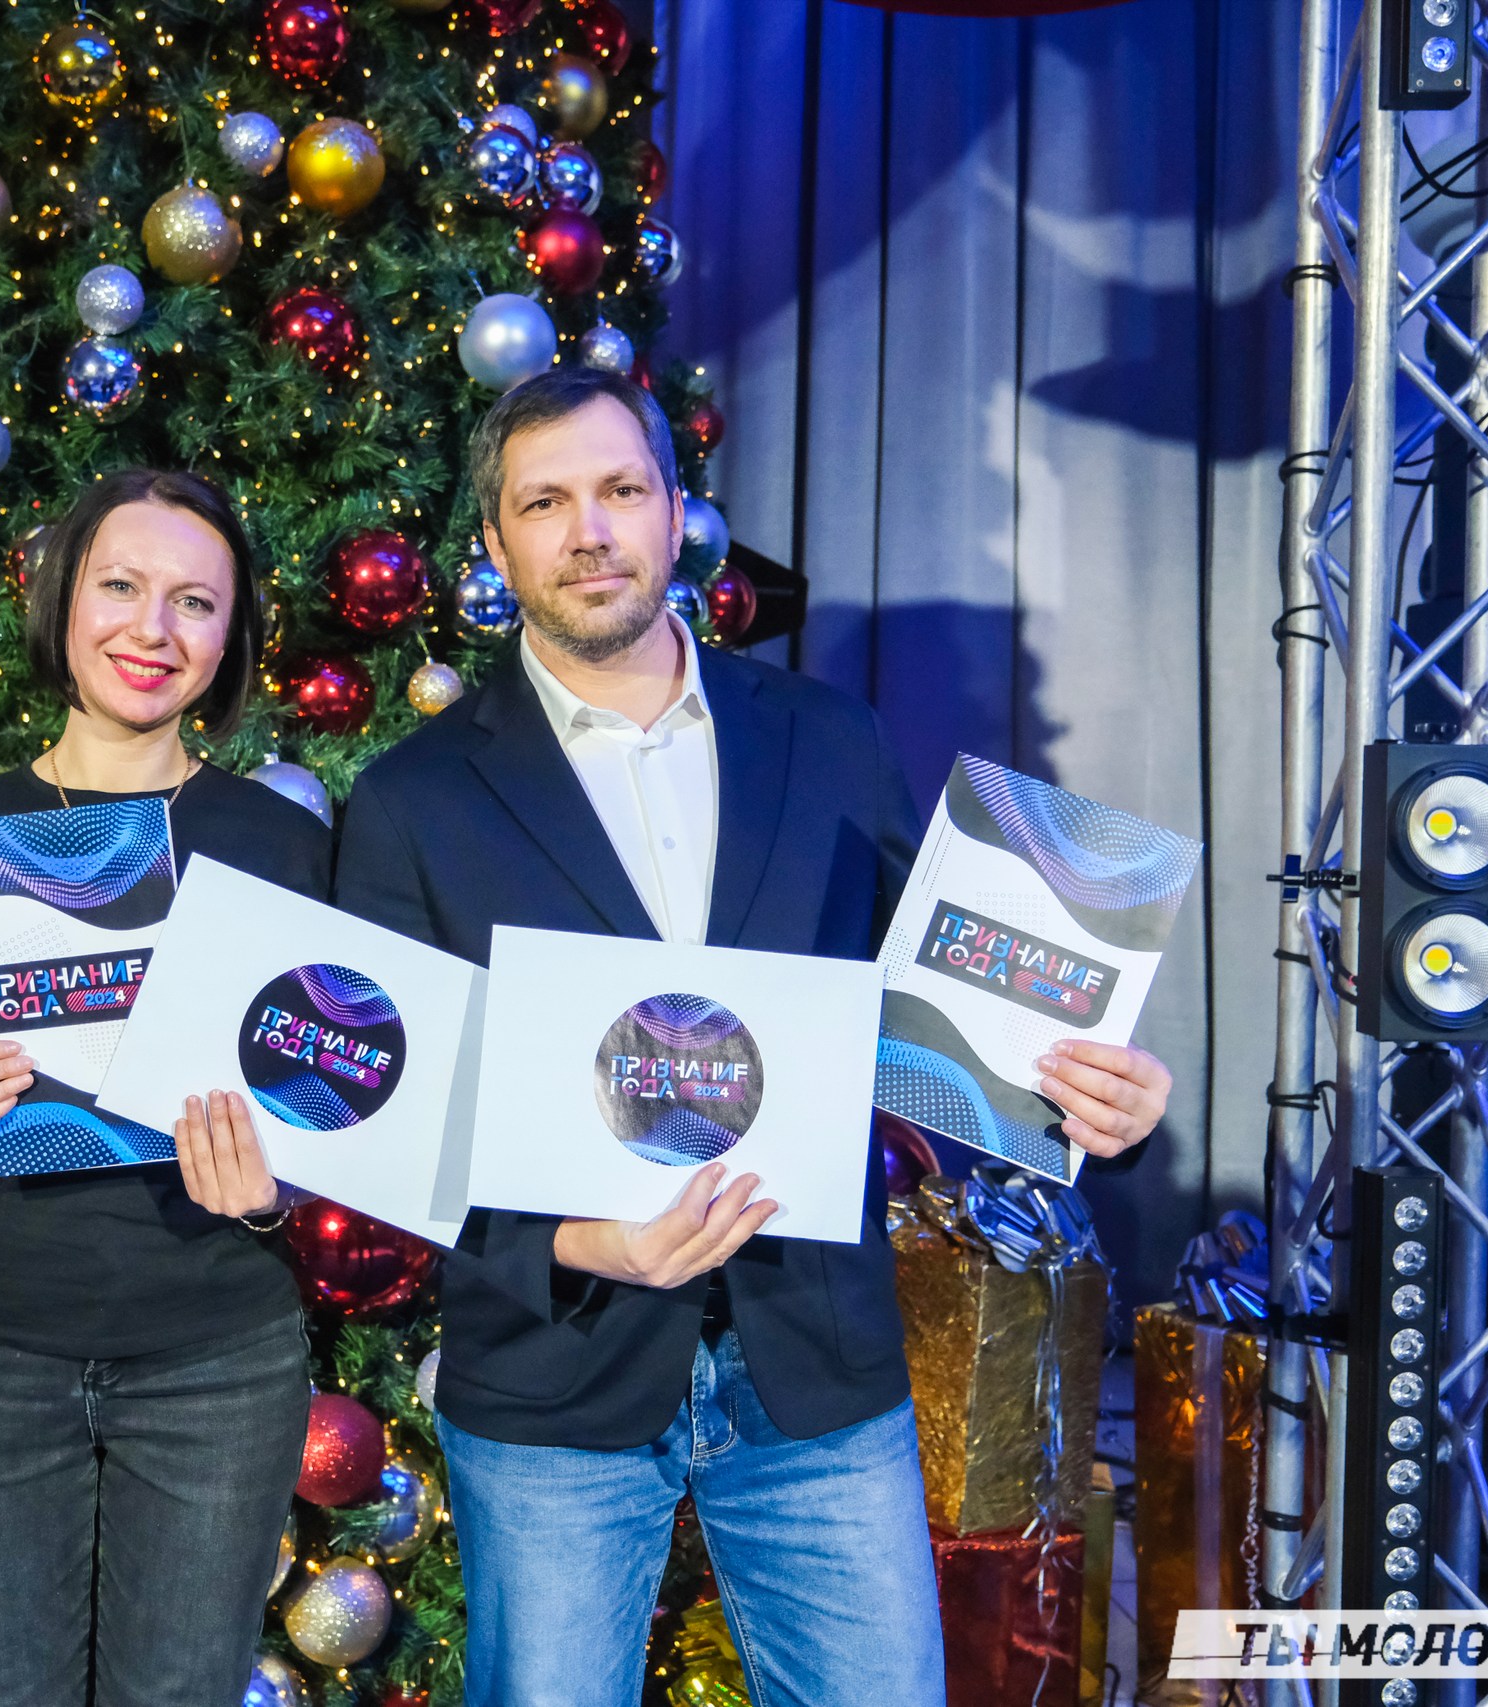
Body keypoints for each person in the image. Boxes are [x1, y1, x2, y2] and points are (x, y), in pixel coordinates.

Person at [328, 369, 1173, 1707]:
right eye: (544, 503)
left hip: (813, 1359)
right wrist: (572, 1243)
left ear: (677, 512)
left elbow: (938, 1007)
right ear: (494, 542)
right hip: (556, 1377)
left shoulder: (827, 739)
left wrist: (1087, 1093)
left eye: (620, 490)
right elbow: (386, 1115)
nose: (588, 531)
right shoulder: (411, 800)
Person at [0, 468, 327, 1707]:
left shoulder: (284, 847)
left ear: (230, 637)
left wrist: (273, 1189)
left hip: (216, 1363)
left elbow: (346, 1117)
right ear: (62, 601)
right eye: (119, 586)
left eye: (194, 603)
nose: (151, 630)